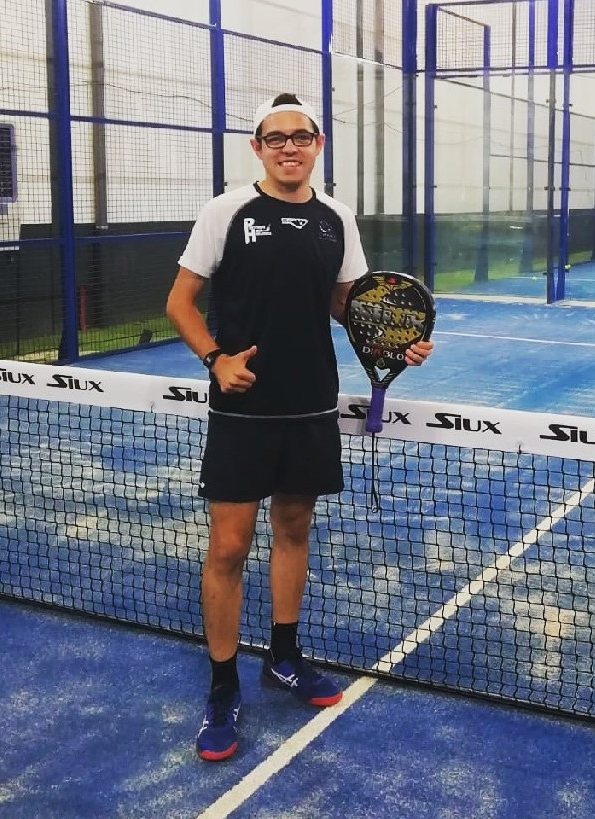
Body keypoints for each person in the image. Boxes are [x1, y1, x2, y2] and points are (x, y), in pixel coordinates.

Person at [166, 93, 434, 761]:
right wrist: (216, 359)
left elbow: (348, 304)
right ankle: (223, 686)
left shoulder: (336, 218)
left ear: (317, 145)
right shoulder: (226, 212)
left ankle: (282, 658)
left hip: (312, 403)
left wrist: (393, 341)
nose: (290, 146)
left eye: (301, 136)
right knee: (229, 547)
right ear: (257, 147)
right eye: (276, 137)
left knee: (293, 529)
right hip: (242, 410)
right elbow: (180, 301)